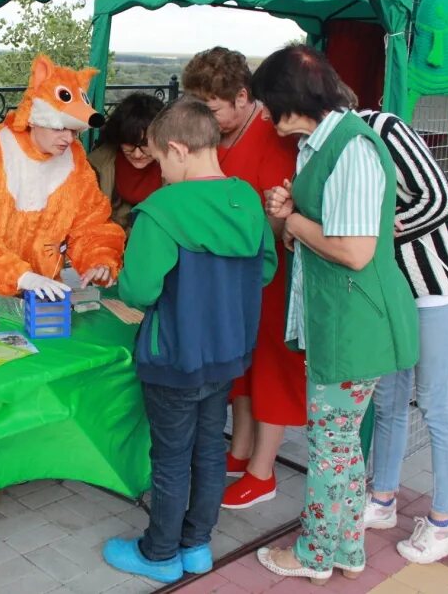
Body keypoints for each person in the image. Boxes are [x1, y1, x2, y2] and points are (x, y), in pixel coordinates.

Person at [256, 45, 418, 584]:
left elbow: (354, 250)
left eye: (266, 103)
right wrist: (291, 214)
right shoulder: (321, 145)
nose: (263, 114)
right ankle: (347, 550)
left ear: (288, 100)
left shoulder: (350, 148)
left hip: (354, 322)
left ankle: (315, 554)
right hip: (338, 318)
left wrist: (294, 222)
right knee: (342, 443)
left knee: (330, 446)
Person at [102, 96, 277, 583]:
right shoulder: (246, 199)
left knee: (171, 456)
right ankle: (196, 546)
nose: (158, 172)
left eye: (159, 160)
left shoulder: (161, 210)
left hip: (173, 354)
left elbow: (138, 290)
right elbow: (265, 269)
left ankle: (159, 553)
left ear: (178, 150)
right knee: (206, 449)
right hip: (227, 352)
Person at [182, 46, 306, 508]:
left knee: (272, 364)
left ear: (241, 95)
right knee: (243, 362)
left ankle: (263, 470)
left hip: (272, 268)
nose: (209, 121)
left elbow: (283, 213)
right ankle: (239, 450)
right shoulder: (220, 134)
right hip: (232, 273)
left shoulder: (276, 135)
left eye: (213, 109)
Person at [358, 109, 448, 563]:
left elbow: (440, 199)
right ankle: (383, 498)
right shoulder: (332, 149)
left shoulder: (381, 128)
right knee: (388, 401)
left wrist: (385, 225)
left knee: (437, 406)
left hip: (439, 292)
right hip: (397, 297)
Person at [0, 54, 126, 311]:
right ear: (36, 119)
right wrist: (21, 276)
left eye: (74, 131)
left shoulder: (75, 158)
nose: (68, 139)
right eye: (60, 128)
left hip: (39, 299)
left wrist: (99, 260)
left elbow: (90, 222)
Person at [87, 93, 165, 231]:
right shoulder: (96, 165)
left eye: (145, 144)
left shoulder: (180, 167)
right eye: (129, 144)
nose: (137, 154)